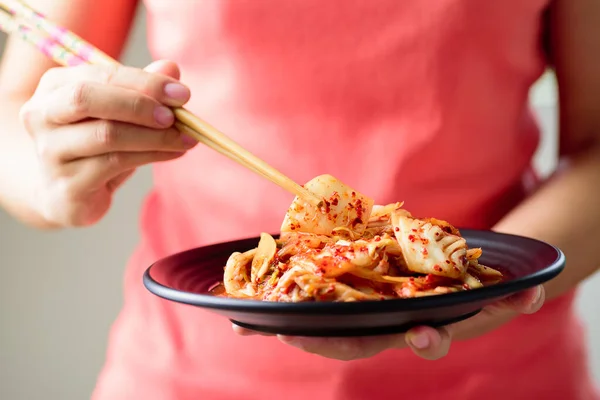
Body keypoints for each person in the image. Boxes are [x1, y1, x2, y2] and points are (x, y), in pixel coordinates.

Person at [0, 0, 599, 399]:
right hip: (189, 374)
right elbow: (15, 113)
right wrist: (53, 181)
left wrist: (477, 290)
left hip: (504, 374)